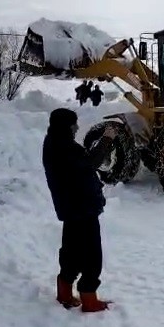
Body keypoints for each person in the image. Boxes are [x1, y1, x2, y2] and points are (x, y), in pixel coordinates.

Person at [42, 108, 115, 312]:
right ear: (66, 126)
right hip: (82, 208)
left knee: (71, 250)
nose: (77, 127)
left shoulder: (53, 142)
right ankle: (89, 299)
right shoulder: (64, 147)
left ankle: (64, 292)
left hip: (72, 208)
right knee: (92, 255)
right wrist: (107, 140)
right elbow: (90, 164)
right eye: (74, 124)